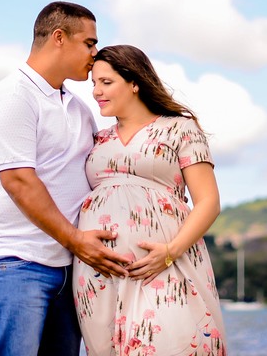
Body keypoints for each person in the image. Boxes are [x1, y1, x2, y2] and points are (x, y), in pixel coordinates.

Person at [0, 1, 133, 356]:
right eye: (89, 43)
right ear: (59, 37)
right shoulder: (13, 97)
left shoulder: (79, 109)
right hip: (13, 262)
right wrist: (77, 240)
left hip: (70, 266)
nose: (95, 53)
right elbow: (19, 181)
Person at [73, 45, 227, 355]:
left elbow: (208, 201)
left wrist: (170, 252)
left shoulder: (179, 128)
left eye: (106, 82)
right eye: (93, 83)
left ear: (134, 82)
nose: (96, 92)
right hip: (99, 272)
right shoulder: (98, 139)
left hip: (165, 264)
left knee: (172, 342)